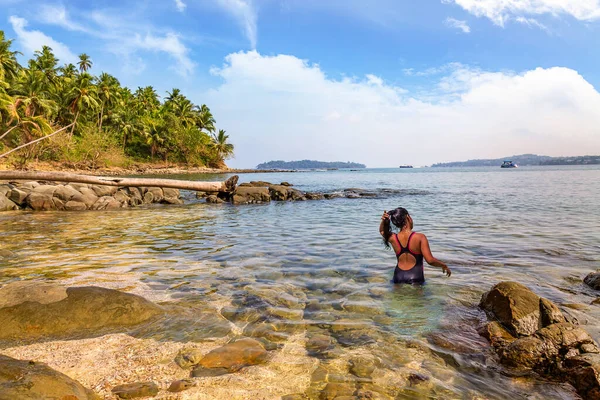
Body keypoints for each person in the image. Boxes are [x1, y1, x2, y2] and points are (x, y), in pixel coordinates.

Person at [379, 207, 451, 284]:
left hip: (398, 276)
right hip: (415, 276)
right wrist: (443, 265)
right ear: (408, 217)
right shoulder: (420, 237)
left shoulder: (393, 238)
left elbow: (382, 231)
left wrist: (384, 221)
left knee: (397, 296)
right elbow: (430, 260)